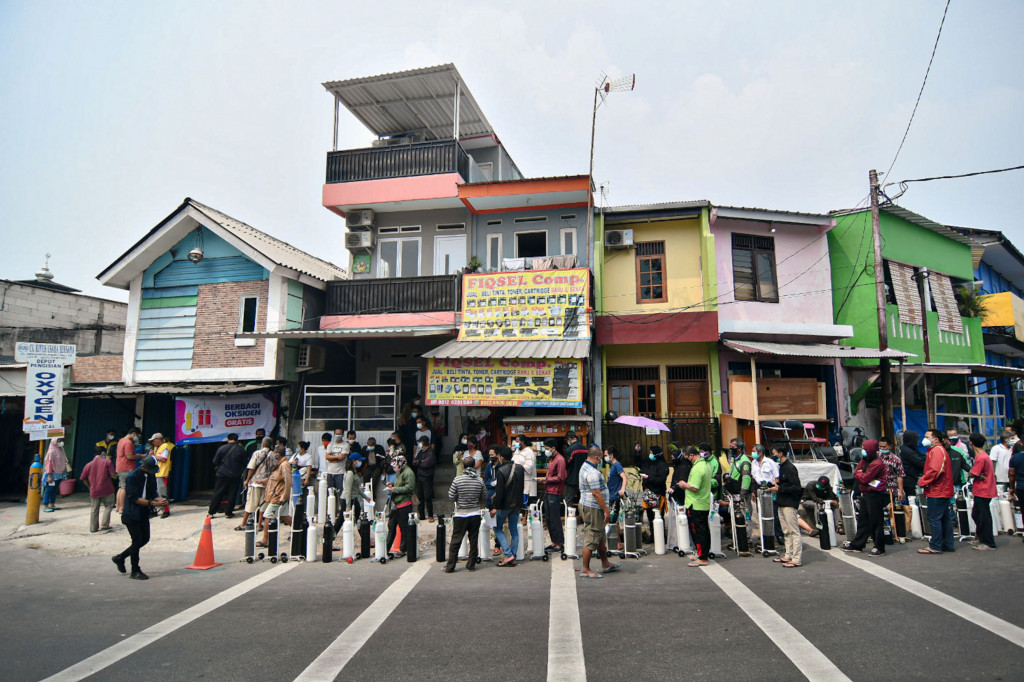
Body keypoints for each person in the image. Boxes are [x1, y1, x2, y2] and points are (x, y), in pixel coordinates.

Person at [112, 456, 167, 580]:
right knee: (136, 541)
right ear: (143, 467)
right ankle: (135, 570)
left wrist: (160, 499)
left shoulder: (150, 475)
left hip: (143, 512)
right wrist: (152, 503)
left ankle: (120, 557)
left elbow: (152, 492)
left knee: (145, 539)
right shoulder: (132, 477)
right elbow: (134, 499)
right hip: (131, 514)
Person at [841, 439, 888, 557]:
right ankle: (858, 544)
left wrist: (860, 474)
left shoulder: (877, 463)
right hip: (866, 493)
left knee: (876, 522)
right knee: (863, 520)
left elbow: (864, 478)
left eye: (864, 448)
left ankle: (879, 547)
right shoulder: (865, 460)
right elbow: (857, 472)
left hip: (875, 495)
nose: (863, 450)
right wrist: (861, 473)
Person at [577, 446, 619, 578]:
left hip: (589, 505)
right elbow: (596, 493)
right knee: (592, 536)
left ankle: (605, 563)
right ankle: (585, 568)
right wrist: (606, 511)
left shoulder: (585, 466)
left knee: (600, 537)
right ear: (596, 458)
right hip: (593, 507)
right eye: (601, 458)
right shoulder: (592, 473)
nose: (602, 460)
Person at [444, 454, 488, 573]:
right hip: (475, 514)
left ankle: (450, 566)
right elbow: (484, 496)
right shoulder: (479, 480)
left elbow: (451, 496)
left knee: (456, 541)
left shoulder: (457, 480)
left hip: (461, 515)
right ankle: (471, 565)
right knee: (473, 540)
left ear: (463, 466)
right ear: (474, 466)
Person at [917, 429, 955, 555]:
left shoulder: (937, 451)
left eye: (927, 436)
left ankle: (935, 545)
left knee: (934, 518)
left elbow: (935, 470)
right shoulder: (938, 450)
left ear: (936, 439)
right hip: (942, 489)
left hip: (938, 490)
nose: (925, 439)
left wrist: (923, 481)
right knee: (944, 518)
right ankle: (947, 544)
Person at [677, 446, 712, 567]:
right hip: (703, 503)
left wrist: (684, 485)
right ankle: (703, 554)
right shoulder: (706, 465)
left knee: (698, 531)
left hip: (696, 504)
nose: (687, 459)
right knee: (703, 530)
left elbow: (695, 487)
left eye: (687, 457)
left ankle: (702, 557)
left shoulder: (697, 468)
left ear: (691, 455)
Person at [770, 445, 804, 567]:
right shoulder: (782, 467)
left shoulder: (790, 468)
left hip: (789, 503)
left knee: (794, 530)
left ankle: (796, 558)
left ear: (780, 454)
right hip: (781, 502)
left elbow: (796, 488)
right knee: (786, 531)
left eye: (774, 453)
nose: (773, 456)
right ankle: (788, 554)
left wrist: (779, 488)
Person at [490, 446, 524, 567]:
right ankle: (512, 555)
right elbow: (521, 487)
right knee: (514, 530)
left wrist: (495, 507)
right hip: (517, 503)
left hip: (505, 505)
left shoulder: (501, 471)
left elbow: (500, 493)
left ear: (502, 457)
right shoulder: (520, 468)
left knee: (497, 528)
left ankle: (508, 554)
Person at [236, 437, 275, 531]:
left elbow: (251, 468)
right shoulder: (273, 455)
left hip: (255, 482)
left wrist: (247, 479)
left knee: (250, 503)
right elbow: (274, 470)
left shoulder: (257, 453)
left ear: (263, 444)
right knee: (263, 504)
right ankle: (259, 525)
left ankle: (243, 523)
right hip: (267, 483)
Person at [968, 432, 997, 550]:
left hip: (983, 490)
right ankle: (980, 537)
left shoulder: (980, 458)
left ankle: (988, 542)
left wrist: (974, 474)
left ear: (971, 443)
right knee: (977, 514)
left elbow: (973, 473)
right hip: (984, 489)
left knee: (983, 516)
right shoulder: (984, 455)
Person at [258, 447, 292, 549]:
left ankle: (265, 540)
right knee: (284, 515)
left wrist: (284, 496)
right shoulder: (278, 465)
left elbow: (288, 482)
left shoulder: (284, 465)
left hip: (278, 497)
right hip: (274, 495)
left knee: (267, 515)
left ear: (277, 455)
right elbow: (274, 479)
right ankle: (299, 530)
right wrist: (263, 481)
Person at [209, 434, 247, 518]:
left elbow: (215, 461)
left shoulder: (221, 448)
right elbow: (245, 464)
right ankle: (228, 513)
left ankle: (211, 513)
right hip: (235, 475)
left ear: (228, 439)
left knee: (217, 493)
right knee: (232, 494)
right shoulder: (241, 449)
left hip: (222, 474)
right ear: (237, 440)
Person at [385, 454, 415, 558]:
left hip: (404, 504)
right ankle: (385, 549)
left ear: (401, 464)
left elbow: (409, 488)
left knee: (404, 528)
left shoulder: (408, 473)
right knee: (391, 527)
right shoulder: (399, 472)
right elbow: (399, 484)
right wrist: (392, 485)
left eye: (395, 467)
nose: (394, 469)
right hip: (395, 504)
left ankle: (402, 549)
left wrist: (395, 489)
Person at [81, 445, 117, 532]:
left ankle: (93, 528)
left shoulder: (88, 465)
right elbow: (112, 475)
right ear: (103, 453)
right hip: (107, 489)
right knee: (109, 506)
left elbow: (83, 478)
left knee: (94, 509)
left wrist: (90, 486)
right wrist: (116, 477)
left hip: (94, 490)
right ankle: (104, 524)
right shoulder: (107, 462)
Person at [638, 445, 669, 542]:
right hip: (649, 494)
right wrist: (637, 452)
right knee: (650, 516)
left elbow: (661, 480)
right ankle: (653, 536)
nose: (650, 455)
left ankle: (660, 537)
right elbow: (639, 462)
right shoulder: (649, 463)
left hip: (658, 494)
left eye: (651, 453)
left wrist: (649, 478)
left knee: (658, 516)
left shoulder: (662, 465)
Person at [115, 427, 143, 514]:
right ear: (134, 433)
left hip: (120, 467)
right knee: (125, 488)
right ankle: (122, 508)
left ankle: (118, 507)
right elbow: (130, 456)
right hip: (127, 467)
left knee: (121, 487)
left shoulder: (121, 440)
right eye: (137, 435)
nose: (137, 437)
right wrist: (141, 456)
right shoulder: (128, 442)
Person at [411, 435, 436, 522]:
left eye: (420, 442)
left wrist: (420, 462)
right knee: (420, 497)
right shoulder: (420, 452)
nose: (419, 444)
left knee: (427, 497)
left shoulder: (430, 452)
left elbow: (426, 464)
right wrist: (420, 461)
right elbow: (414, 462)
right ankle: (421, 515)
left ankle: (430, 515)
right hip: (420, 476)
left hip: (427, 477)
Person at [148, 433, 173, 518]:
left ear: (159, 439)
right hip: (156, 473)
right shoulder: (156, 448)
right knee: (156, 493)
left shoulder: (165, 446)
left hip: (162, 473)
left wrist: (153, 456)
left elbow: (163, 459)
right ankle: (156, 509)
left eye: (154, 441)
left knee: (162, 493)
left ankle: (166, 510)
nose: (153, 443)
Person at [41, 437, 68, 513]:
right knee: (49, 490)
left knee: (54, 490)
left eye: (60, 440)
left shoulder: (61, 449)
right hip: (52, 474)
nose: (60, 442)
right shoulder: (51, 452)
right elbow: (49, 464)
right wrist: (49, 475)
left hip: (59, 473)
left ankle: (52, 504)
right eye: (58, 440)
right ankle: (46, 506)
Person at [563, 433, 588, 506]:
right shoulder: (586, 449)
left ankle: (569, 515)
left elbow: (566, 464)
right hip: (583, 478)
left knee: (568, 500)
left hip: (571, 479)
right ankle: (582, 516)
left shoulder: (569, 450)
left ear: (569, 439)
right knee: (583, 500)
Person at [512, 434, 538, 505]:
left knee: (526, 504)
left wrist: (517, 467)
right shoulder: (517, 451)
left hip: (527, 483)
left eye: (517, 441)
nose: (515, 443)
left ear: (522, 442)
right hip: (518, 482)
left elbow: (529, 467)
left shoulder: (529, 452)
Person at [878, 436, 905, 502]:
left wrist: (900, 491)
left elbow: (900, 476)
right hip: (877, 488)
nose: (881, 448)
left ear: (890, 446)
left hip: (890, 490)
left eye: (884, 447)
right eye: (880, 446)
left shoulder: (896, 460)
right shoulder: (877, 456)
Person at [605, 446, 627, 522]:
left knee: (613, 518)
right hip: (610, 494)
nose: (605, 458)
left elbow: (624, 477)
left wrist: (622, 489)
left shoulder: (617, 465)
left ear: (611, 455)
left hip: (615, 495)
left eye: (606, 455)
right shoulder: (612, 466)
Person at [899, 430, 925, 494]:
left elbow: (920, 455)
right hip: (909, 479)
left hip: (912, 477)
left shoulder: (910, 448)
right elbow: (919, 462)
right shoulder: (908, 451)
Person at [1010, 441, 1024, 513]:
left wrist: (1012, 488)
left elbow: (1012, 474)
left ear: (1022, 443)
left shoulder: (1015, 458)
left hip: (1021, 487)